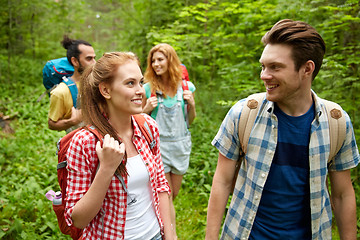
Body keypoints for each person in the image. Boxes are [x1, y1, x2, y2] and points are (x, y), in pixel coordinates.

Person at [206, 19, 359, 240]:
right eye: (263, 66)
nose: (264, 75)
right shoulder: (244, 113)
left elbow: (343, 195)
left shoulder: (336, 123)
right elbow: (222, 181)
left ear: (307, 68)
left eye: (275, 67)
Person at [64, 52, 173, 239]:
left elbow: (161, 187)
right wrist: (106, 169)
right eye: (130, 83)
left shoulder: (148, 126)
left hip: (155, 234)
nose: (140, 90)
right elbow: (78, 220)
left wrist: (171, 236)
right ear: (106, 90)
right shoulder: (84, 142)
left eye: (140, 82)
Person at [142, 43, 196, 238]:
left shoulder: (186, 87)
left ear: (170, 60)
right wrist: (145, 109)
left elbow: (189, 120)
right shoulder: (147, 89)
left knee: (172, 195)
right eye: (153, 61)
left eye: (160, 59)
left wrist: (192, 105)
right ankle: (169, 234)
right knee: (165, 195)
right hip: (159, 147)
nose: (156, 64)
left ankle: (158, 222)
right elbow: (138, 120)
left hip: (181, 145)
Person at [48, 35, 96, 132]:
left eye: (94, 58)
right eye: (89, 59)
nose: (94, 63)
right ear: (75, 61)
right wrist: (72, 122)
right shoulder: (60, 92)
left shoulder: (98, 84)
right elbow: (51, 124)